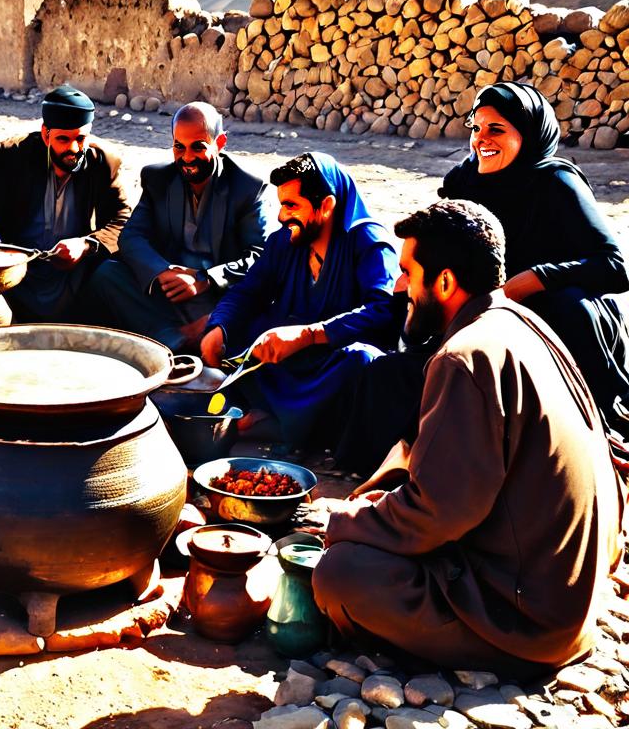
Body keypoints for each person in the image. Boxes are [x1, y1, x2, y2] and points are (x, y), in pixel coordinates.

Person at [310, 199, 623, 677]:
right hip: (564, 589)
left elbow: (438, 514)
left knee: (340, 574)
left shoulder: (463, 356)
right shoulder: (521, 321)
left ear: (445, 282)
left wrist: (344, 521)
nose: (400, 288)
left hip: (531, 623)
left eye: (408, 273)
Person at [440, 81, 629, 439]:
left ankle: (596, 428)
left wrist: (533, 280)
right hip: (489, 306)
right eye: (476, 128)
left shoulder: (556, 182)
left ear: (528, 134)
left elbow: (615, 267)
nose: (481, 139)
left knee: (570, 306)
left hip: (556, 312)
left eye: (497, 129)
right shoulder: (464, 181)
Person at [199, 152, 398, 451]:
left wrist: (309, 335)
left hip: (333, 362)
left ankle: (282, 424)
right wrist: (220, 327)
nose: (282, 216)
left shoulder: (369, 242)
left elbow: (384, 311)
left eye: (292, 206)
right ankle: (279, 420)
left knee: (363, 361)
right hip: (291, 357)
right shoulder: (285, 240)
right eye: (282, 205)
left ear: (327, 206)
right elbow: (249, 291)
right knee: (248, 329)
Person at [86, 101, 278, 351]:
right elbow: (132, 236)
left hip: (217, 295)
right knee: (107, 276)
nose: (187, 157)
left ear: (219, 144)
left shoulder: (248, 188)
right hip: (169, 291)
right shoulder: (158, 179)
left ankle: (174, 339)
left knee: (256, 303)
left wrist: (205, 279)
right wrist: (162, 272)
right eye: (179, 146)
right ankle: (177, 339)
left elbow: (260, 256)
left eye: (198, 147)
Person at [0, 84, 131, 322]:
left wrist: (86, 245)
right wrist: (3, 254)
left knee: (115, 274)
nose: (73, 149)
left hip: (74, 273)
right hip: (18, 273)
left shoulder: (102, 162)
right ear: (46, 135)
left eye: (80, 138)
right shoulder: (11, 156)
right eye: (63, 139)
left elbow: (123, 219)